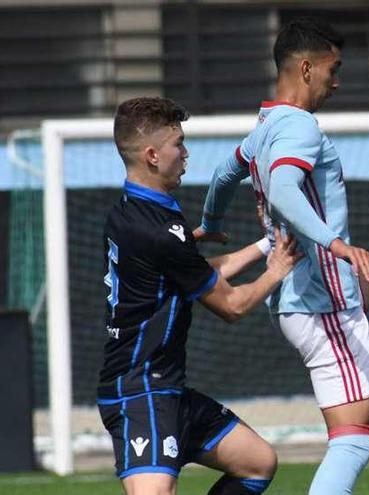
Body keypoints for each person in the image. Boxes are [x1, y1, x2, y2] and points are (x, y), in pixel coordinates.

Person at [195, 17, 369, 493]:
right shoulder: (301, 129)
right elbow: (287, 191)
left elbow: (224, 175)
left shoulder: (265, 126)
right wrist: (333, 242)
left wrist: (211, 223)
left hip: (308, 295)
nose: (338, 81)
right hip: (324, 304)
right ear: (307, 68)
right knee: (352, 444)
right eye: (334, 69)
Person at [98, 97, 301, 495]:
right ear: (154, 155)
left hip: (167, 387)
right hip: (142, 391)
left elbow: (190, 272)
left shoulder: (130, 211)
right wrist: (276, 271)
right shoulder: (159, 230)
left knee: (256, 463)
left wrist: (267, 245)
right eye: (179, 143)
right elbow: (232, 306)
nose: (186, 154)